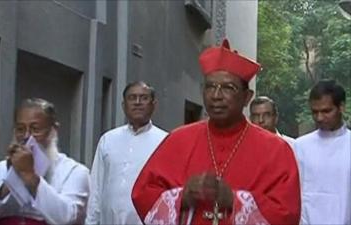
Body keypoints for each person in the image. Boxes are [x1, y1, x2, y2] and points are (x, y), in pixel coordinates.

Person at [132, 39, 301, 225]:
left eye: (228, 88)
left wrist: (235, 201)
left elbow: (287, 214)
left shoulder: (276, 150)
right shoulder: (178, 140)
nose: (216, 95)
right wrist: (183, 196)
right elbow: (143, 193)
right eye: (210, 86)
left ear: (247, 97)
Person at [0, 98, 90, 225]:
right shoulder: (1, 169)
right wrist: (9, 180)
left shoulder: (74, 172)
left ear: (53, 130)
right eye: (20, 129)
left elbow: (67, 219)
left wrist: (30, 176)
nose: (27, 136)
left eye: (35, 129)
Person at [85, 81, 168, 225]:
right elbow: (96, 188)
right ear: (124, 105)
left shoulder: (165, 141)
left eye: (143, 98)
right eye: (132, 98)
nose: (137, 102)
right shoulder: (108, 139)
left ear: (154, 104)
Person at [294, 80, 350, 225]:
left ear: (341, 107)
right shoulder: (300, 146)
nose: (319, 118)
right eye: (315, 112)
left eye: (326, 111)